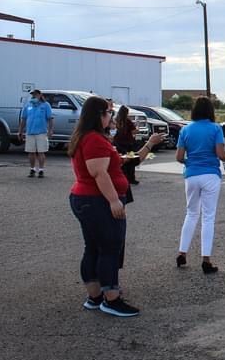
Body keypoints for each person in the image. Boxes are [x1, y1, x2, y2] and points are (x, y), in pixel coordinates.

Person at [68, 95, 164, 317]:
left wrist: (147, 145)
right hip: (96, 200)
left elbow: (108, 165)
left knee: (93, 247)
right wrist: (113, 200)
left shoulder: (88, 137)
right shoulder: (93, 139)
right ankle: (111, 299)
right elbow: (98, 172)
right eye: (108, 112)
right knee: (109, 248)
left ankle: (95, 296)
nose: (111, 115)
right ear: (99, 115)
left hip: (88, 199)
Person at [176, 96, 225, 273]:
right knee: (208, 216)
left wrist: (190, 163)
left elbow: (178, 157)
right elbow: (220, 153)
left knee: (191, 213)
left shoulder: (185, 130)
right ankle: (206, 259)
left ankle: (182, 253)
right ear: (210, 111)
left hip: (191, 175)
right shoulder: (215, 128)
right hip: (210, 175)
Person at [19, 88, 53, 178]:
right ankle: (32, 169)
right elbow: (24, 119)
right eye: (32, 94)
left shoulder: (45, 105)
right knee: (31, 152)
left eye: (36, 94)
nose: (34, 96)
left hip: (41, 132)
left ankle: (41, 170)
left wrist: (50, 130)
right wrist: (20, 131)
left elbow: (50, 118)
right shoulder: (28, 105)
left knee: (41, 152)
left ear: (40, 95)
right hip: (30, 132)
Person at [113, 106, 139, 188]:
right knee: (131, 160)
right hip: (128, 143)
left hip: (118, 142)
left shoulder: (116, 120)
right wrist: (137, 126)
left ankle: (124, 177)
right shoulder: (127, 121)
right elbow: (134, 131)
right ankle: (131, 178)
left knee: (122, 160)